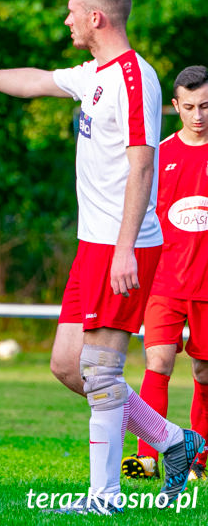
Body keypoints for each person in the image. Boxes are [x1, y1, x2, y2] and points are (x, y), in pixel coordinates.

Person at [0, 0, 203, 514]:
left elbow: (143, 166)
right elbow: (33, 80)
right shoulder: (96, 73)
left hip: (122, 246)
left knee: (100, 372)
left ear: (96, 17)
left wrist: (124, 248)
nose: (67, 19)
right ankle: (174, 441)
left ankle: (105, 499)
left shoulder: (134, 78)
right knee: (68, 366)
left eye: (72, 11)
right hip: (91, 244)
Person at [121, 66, 208, 482]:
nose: (198, 115)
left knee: (205, 372)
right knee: (158, 362)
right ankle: (148, 457)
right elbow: (139, 215)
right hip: (165, 282)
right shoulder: (159, 157)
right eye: (189, 107)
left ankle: (197, 459)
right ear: (175, 106)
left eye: (206, 106)